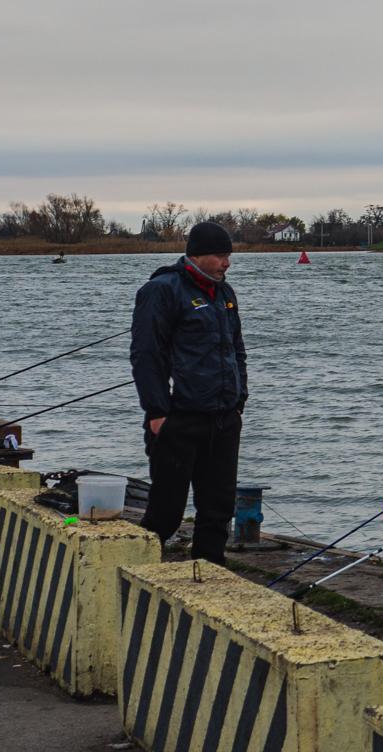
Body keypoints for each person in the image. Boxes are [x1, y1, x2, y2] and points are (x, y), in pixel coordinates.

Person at [130, 220, 247, 563]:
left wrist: (240, 400)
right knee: (166, 510)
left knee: (219, 508)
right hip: (179, 419)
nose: (227, 262)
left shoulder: (225, 293)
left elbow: (237, 350)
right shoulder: (162, 290)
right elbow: (146, 354)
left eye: (228, 255)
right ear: (197, 255)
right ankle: (139, 568)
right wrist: (157, 411)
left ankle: (209, 575)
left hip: (224, 418)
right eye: (220, 255)